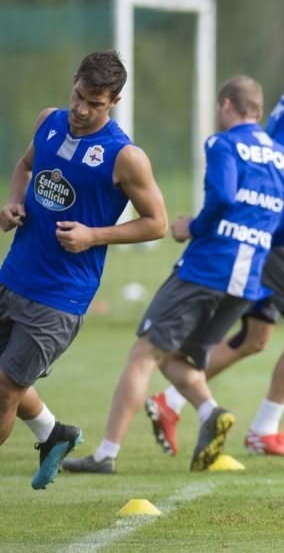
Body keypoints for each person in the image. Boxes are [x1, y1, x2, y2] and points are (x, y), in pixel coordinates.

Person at [63, 76, 284, 474]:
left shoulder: (222, 143)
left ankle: (105, 454)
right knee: (179, 358)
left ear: (225, 105)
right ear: (259, 112)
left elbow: (224, 196)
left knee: (143, 355)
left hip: (206, 268)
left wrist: (192, 227)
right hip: (247, 280)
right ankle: (210, 412)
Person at [145, 27, 284, 459]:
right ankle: (264, 430)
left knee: (257, 337)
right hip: (276, 237)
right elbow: (277, 171)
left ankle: (171, 401)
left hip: (265, 234)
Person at [0, 51, 168, 489]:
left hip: (59, 298)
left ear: (113, 102)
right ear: (72, 81)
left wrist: (94, 235)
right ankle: (54, 434)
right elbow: (24, 166)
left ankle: (51, 433)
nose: (81, 109)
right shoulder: (49, 121)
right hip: (12, 276)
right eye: (79, 95)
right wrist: (14, 203)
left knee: (3, 390)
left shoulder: (124, 156)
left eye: (95, 103)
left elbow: (158, 223)